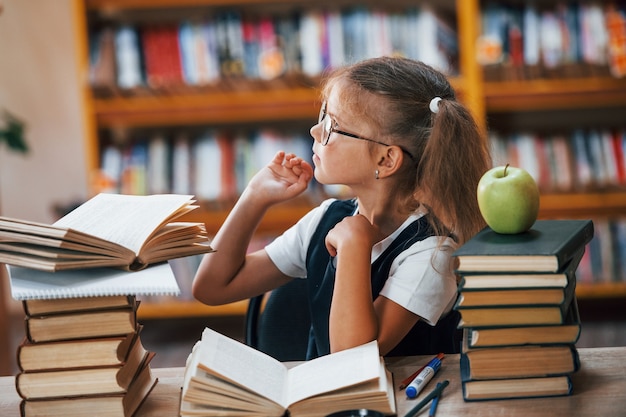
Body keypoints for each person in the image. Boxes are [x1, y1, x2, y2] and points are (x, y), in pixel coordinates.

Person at [192, 56, 491, 359]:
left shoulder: (431, 254)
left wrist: (355, 245)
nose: (316, 132)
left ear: (386, 160)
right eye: (323, 115)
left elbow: (352, 358)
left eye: (333, 125)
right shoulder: (326, 218)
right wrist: (255, 197)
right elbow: (212, 288)